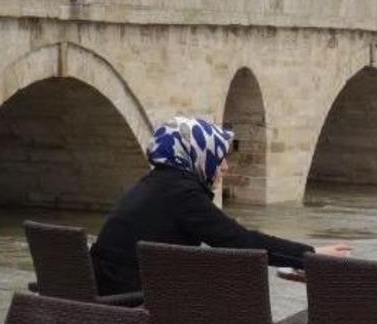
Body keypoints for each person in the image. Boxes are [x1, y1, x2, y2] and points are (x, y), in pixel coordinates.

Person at [90, 116, 351, 296]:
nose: (225, 167)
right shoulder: (181, 194)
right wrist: (311, 254)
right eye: (220, 157)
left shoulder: (153, 184)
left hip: (113, 297)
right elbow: (238, 240)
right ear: (198, 154)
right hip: (141, 308)